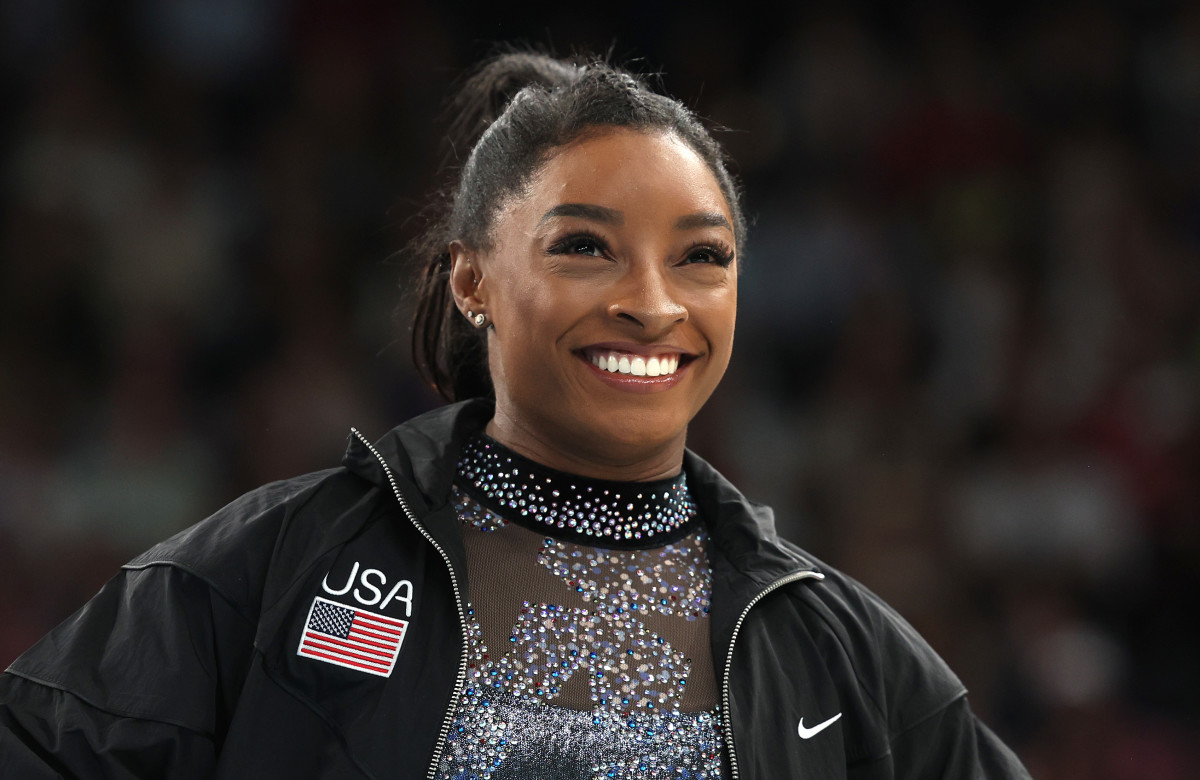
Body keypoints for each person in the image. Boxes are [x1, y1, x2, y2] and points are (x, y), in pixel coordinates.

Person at [0, 52, 1031, 779]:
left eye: (702, 256)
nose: (653, 301)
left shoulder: (836, 646)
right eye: (585, 246)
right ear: (472, 281)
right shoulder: (278, 566)